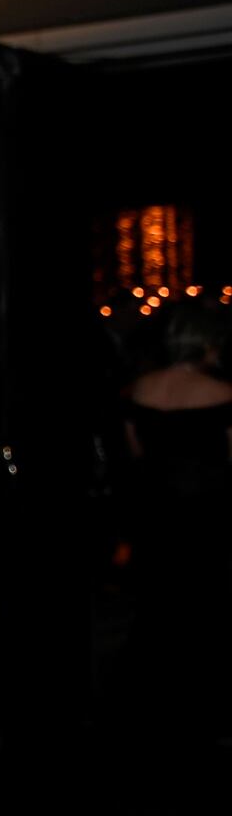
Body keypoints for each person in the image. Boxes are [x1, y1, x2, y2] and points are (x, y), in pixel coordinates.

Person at [119, 302, 232, 739]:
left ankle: (153, 713)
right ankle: (202, 711)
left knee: (157, 608)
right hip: (205, 518)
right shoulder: (223, 395)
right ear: (208, 342)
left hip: (157, 516)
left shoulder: (139, 391)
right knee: (205, 610)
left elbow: (135, 454)